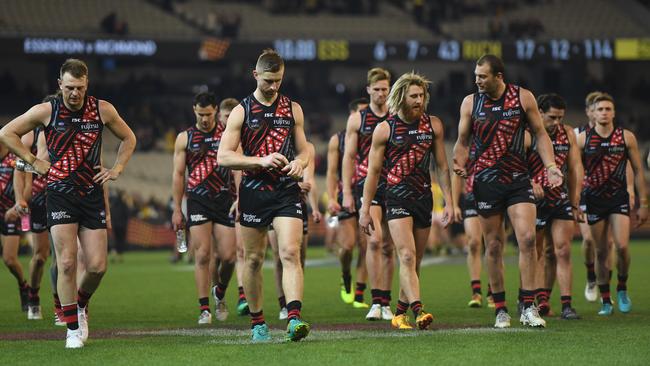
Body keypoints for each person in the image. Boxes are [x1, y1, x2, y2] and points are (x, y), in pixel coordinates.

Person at [0, 58, 136, 348]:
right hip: (60, 193)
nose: (75, 93)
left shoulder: (103, 109)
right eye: (70, 87)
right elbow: (6, 133)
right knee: (66, 261)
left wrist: (117, 169)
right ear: (59, 84)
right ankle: (72, 328)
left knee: (98, 266)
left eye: (80, 88)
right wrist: (33, 160)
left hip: (91, 194)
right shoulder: (47, 111)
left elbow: (129, 138)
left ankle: (80, 305)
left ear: (88, 85)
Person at [452, 54, 562, 329]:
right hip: (486, 183)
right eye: (475, 76)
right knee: (494, 245)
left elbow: (540, 134)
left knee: (527, 240)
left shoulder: (523, 97)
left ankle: (528, 306)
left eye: (482, 76)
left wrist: (550, 165)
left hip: (517, 179)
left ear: (498, 76)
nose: (476, 80)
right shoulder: (470, 103)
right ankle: (500, 308)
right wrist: (459, 163)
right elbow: (463, 141)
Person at [217, 49, 312, 342]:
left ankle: (294, 319)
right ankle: (258, 323)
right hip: (254, 192)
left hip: (285, 190)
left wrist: (301, 163)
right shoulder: (241, 111)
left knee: (290, 252)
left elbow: (305, 147)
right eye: (268, 80)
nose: (273, 86)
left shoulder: (292, 108)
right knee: (255, 259)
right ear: (255, 75)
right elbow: (223, 156)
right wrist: (259, 160)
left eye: (278, 81)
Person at [359, 72, 453, 330]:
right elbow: (373, 173)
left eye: (422, 95)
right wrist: (365, 209)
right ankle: (419, 310)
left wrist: (450, 202)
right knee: (407, 256)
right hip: (397, 198)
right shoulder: (384, 129)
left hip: (424, 198)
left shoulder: (433, 125)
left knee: (415, 261)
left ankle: (399, 314)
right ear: (401, 97)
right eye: (414, 95)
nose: (419, 100)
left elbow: (443, 167)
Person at [577, 93, 648, 315]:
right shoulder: (582, 139)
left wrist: (643, 201)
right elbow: (575, 171)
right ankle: (606, 300)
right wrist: (576, 200)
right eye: (600, 109)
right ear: (593, 113)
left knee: (623, 246)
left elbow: (637, 170)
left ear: (614, 113)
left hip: (618, 198)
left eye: (608, 109)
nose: (604, 113)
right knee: (600, 251)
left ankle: (622, 288)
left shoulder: (626, 137)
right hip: (593, 199)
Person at [172, 92, 237, 324]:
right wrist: (178, 209)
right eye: (201, 115)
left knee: (229, 256)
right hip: (198, 200)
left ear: (216, 110)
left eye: (209, 114)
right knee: (202, 254)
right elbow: (179, 174)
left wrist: (239, 198)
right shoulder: (185, 138)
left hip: (225, 199)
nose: (205, 119)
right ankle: (204, 309)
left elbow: (237, 167)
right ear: (194, 111)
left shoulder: (228, 134)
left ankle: (219, 291)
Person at [341, 68, 395, 321]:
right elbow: (349, 156)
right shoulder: (357, 119)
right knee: (374, 241)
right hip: (367, 183)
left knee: (389, 246)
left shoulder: (397, 116)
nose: (382, 94)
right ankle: (375, 301)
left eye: (385, 89)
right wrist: (347, 193)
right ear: (368, 90)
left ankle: (386, 301)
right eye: (377, 89)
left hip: (395, 184)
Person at [528, 93, 582, 320]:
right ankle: (538, 300)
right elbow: (513, 165)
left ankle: (567, 305)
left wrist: (575, 200)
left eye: (560, 117)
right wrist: (530, 183)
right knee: (537, 252)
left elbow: (575, 167)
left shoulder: (567, 133)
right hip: (533, 200)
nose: (557, 122)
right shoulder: (526, 134)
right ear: (539, 113)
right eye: (552, 117)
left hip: (559, 198)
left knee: (562, 249)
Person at [268, 141, 322, 319]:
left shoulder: (307, 147)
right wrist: (295, 186)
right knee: (278, 256)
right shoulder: (273, 143)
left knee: (299, 256)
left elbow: (310, 180)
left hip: (297, 205)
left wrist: (314, 208)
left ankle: (294, 299)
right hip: (273, 203)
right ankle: (283, 304)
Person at [326, 97, 369, 308]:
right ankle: (345, 276)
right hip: (346, 194)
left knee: (367, 244)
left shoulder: (376, 134)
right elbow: (332, 172)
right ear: (352, 115)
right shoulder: (338, 139)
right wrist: (332, 197)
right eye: (360, 113)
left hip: (368, 193)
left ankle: (360, 293)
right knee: (347, 245)